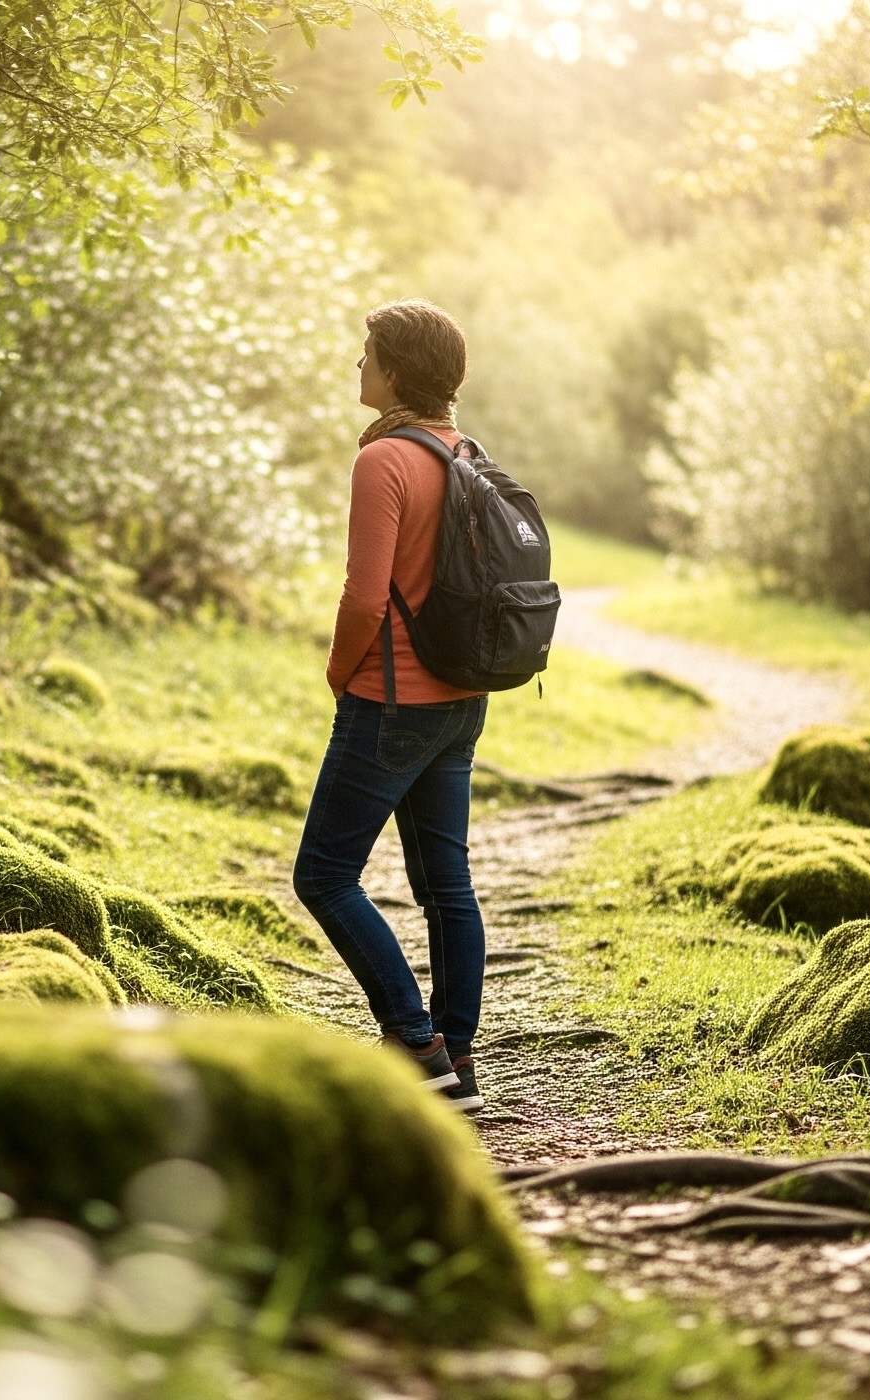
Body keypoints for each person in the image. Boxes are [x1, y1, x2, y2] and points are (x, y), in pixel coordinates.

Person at [292, 299, 488, 1113]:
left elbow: (365, 596)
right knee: (446, 880)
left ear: (398, 370)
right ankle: (458, 1060)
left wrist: (340, 673)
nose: (358, 364)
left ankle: (415, 1042)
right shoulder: (466, 451)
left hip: (392, 700)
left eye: (367, 352)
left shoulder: (383, 463)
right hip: (462, 699)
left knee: (325, 874)